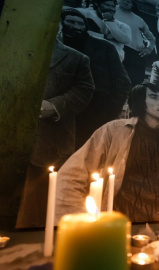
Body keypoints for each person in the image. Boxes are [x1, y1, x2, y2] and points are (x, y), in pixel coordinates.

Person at [55, 83, 159, 223]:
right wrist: (80, 220)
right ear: (139, 102)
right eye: (153, 97)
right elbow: (70, 176)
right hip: (125, 227)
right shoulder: (113, 131)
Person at [16, 39, 95, 228]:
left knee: (36, 208)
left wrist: (54, 106)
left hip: (49, 143)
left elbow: (85, 90)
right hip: (11, 135)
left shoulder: (76, 58)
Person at [60, 8, 131, 149]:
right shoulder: (55, 45)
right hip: (60, 110)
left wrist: (110, 111)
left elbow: (123, 82)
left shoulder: (105, 47)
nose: (75, 27)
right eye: (70, 22)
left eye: (80, 23)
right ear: (62, 23)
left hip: (95, 112)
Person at [114, 0, 156, 85]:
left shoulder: (139, 20)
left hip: (134, 54)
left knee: (133, 81)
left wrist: (149, 49)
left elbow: (151, 38)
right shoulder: (110, 10)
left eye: (129, 1)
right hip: (114, 48)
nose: (126, 2)